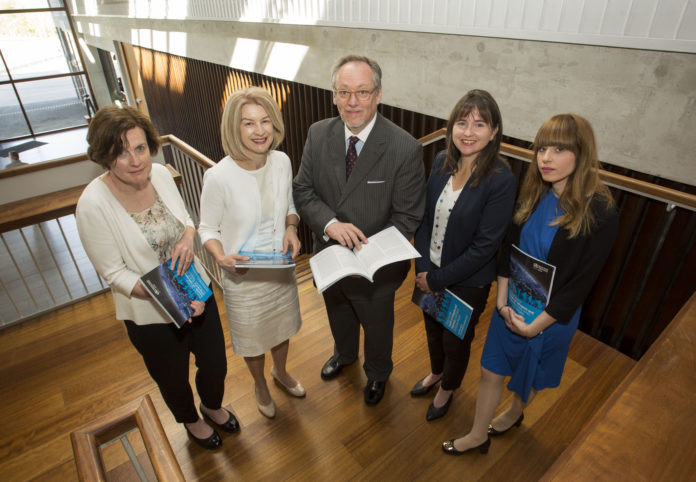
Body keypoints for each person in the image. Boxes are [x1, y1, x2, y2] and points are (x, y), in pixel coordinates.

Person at [441, 113, 619, 455]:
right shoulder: (535, 190)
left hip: (550, 318)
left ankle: (513, 413)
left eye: (559, 150)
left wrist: (534, 326)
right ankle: (478, 434)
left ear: (582, 154)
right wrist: (501, 300)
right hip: (511, 304)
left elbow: (581, 284)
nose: (546, 159)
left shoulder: (601, 212)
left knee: (529, 377)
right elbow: (508, 247)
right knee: (491, 370)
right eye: (541, 149)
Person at [76, 105, 237, 451]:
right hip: (150, 313)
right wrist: (174, 300)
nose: (136, 161)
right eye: (121, 153)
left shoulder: (161, 174)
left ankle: (211, 406)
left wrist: (186, 237)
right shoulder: (92, 204)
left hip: (196, 290)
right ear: (104, 157)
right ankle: (192, 420)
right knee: (172, 378)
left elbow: (186, 219)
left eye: (139, 148)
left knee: (215, 363)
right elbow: (114, 273)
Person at [293, 54, 426, 406]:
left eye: (363, 92)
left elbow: (407, 216)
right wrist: (331, 225)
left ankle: (378, 373)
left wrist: (367, 253)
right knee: (337, 312)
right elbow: (303, 190)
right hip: (329, 255)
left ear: (378, 94)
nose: (352, 102)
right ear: (334, 95)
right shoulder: (318, 134)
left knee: (378, 327)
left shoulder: (404, 148)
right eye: (344, 92)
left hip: (376, 267)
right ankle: (345, 355)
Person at [199, 87, 304, 420]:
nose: (259, 131)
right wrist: (220, 257)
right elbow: (207, 229)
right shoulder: (218, 176)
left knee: (282, 329)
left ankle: (281, 372)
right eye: (248, 123)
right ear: (235, 127)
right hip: (242, 277)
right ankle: (260, 384)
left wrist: (291, 228)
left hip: (279, 270)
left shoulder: (282, 161)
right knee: (254, 339)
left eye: (265, 121)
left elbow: (289, 205)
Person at [411, 90, 516, 421]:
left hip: (467, 281)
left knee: (455, 341)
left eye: (479, 124)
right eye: (462, 122)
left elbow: (485, 246)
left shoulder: (501, 179)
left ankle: (448, 388)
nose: (468, 132)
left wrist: (438, 278)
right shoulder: (443, 161)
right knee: (432, 330)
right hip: (431, 272)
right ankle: (436, 372)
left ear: (494, 131)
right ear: (451, 126)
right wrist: (425, 268)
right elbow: (425, 218)